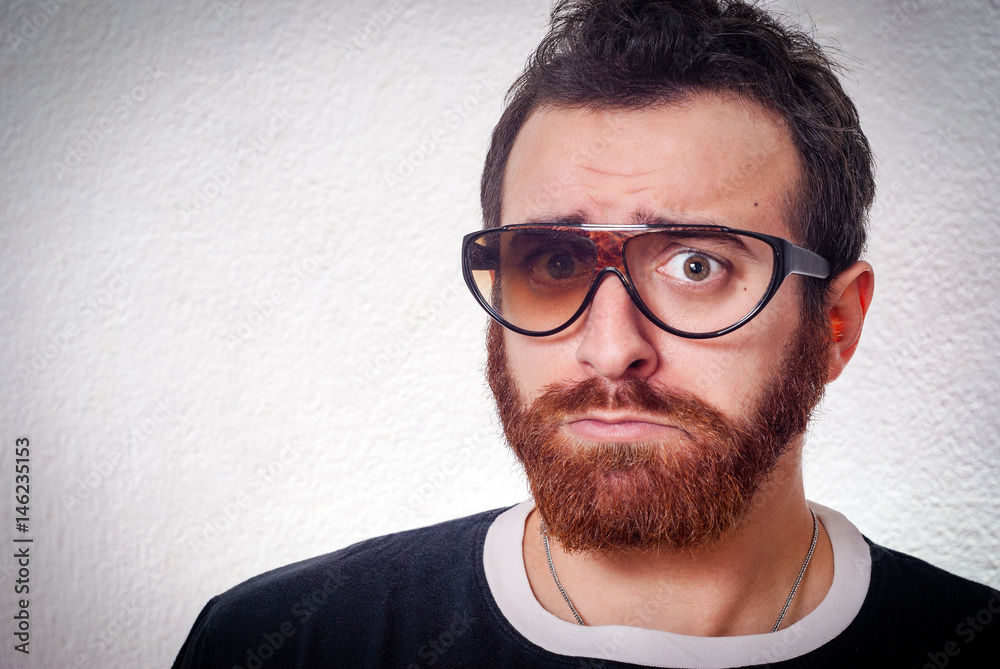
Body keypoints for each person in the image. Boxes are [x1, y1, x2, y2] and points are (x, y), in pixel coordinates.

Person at [172, 1, 1000, 667]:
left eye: (697, 266)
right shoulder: (289, 643)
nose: (610, 348)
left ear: (836, 324)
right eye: (556, 262)